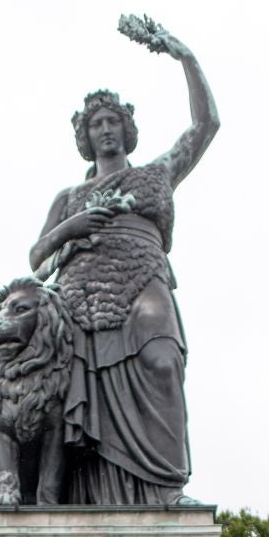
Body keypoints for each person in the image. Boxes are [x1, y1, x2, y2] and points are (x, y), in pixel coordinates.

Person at [28, 29, 219, 505]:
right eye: (96, 124)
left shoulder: (157, 173)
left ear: (126, 128)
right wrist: (71, 227)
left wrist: (185, 57)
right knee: (76, 393)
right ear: (85, 136)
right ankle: (83, 496)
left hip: (142, 277)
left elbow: (206, 125)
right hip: (82, 295)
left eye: (113, 120)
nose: (106, 129)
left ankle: (167, 486)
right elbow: (37, 261)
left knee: (162, 358)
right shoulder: (68, 197)